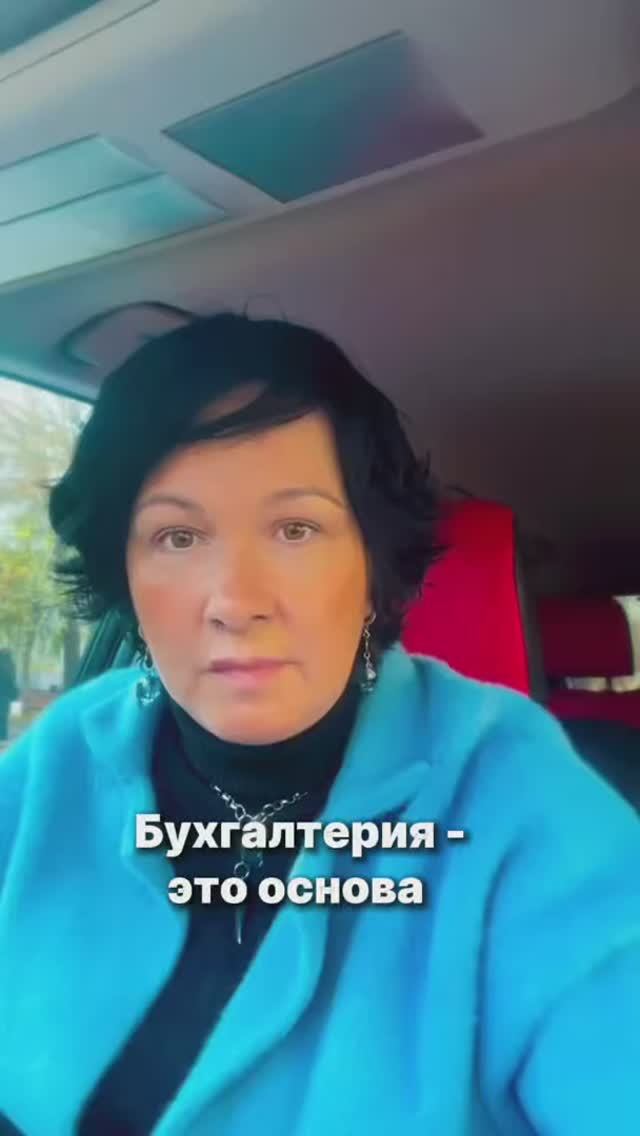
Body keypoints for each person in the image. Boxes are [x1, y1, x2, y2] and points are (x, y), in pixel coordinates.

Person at [0, 313, 638, 1136]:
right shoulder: (63, 753)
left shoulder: (524, 799)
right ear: (123, 573)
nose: (236, 601)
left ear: (373, 568)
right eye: (177, 536)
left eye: (295, 529)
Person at [0, 649, 18, 743]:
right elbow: (12, 681)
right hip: (5, 697)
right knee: (3, 717)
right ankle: (3, 737)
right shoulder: (10, 666)